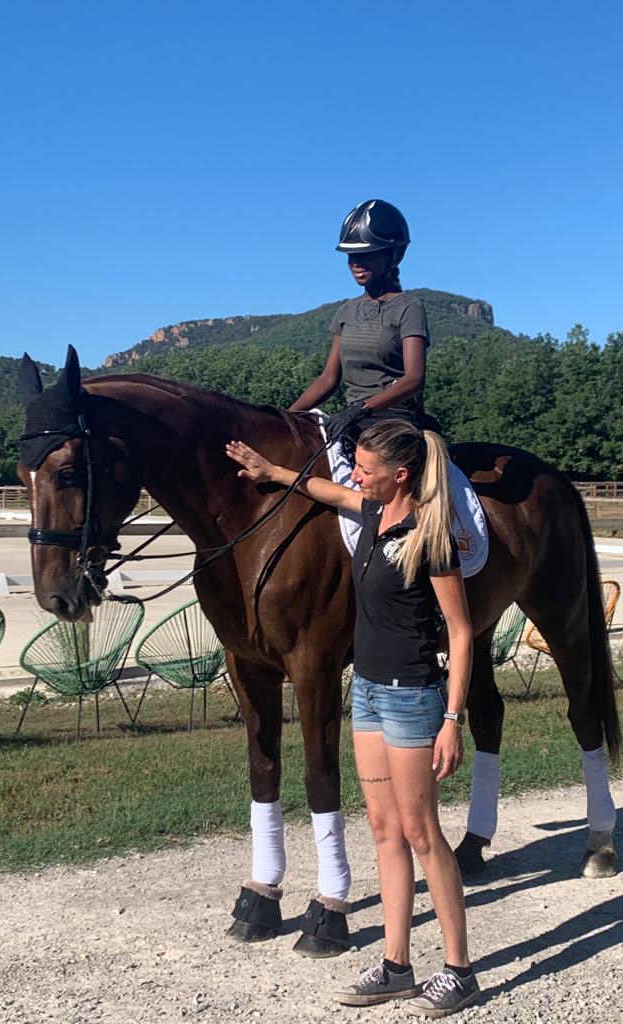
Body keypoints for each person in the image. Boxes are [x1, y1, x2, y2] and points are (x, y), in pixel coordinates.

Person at [226, 419, 479, 1018]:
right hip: (366, 692)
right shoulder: (371, 511)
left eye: (366, 468)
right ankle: (397, 964)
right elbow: (323, 491)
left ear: (401, 475)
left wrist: (452, 718)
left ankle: (459, 968)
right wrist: (273, 473)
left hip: (415, 698)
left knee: (421, 833)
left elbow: (463, 634)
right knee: (384, 831)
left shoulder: (430, 535)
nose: (355, 475)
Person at [288, 199, 435, 455]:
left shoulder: (409, 307)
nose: (355, 263)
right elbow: (329, 379)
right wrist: (287, 417)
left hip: (392, 421)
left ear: (392, 254)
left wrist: (362, 409)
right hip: (351, 419)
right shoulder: (346, 310)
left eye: (366, 255)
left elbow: (414, 379)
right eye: (351, 256)